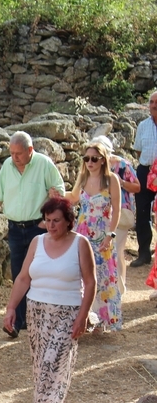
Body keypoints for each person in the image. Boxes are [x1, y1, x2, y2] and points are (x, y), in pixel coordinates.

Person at [3, 198, 95, 403]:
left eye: (57, 220)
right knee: (41, 368)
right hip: (36, 311)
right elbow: (23, 278)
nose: (51, 225)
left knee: (51, 366)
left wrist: (83, 316)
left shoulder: (80, 243)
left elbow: (90, 282)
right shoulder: (37, 242)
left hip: (67, 312)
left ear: (68, 221)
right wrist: (11, 308)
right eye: (48, 220)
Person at [0, 131, 66, 338]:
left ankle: (40, 317)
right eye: (11, 153)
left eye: (18, 153)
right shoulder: (6, 167)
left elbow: (59, 193)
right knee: (18, 272)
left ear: (30, 150)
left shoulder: (44, 164)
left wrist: (45, 222)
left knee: (38, 272)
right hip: (14, 227)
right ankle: (19, 321)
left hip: (37, 228)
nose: (14, 157)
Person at [66, 141, 122, 332]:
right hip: (82, 233)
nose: (89, 162)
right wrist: (56, 193)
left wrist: (110, 235)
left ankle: (103, 319)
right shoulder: (82, 178)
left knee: (103, 275)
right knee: (82, 275)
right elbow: (73, 198)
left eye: (94, 159)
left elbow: (116, 210)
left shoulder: (111, 180)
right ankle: (84, 318)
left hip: (102, 234)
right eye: (86, 158)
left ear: (102, 160)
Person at [91, 136, 140, 294]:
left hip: (120, 212)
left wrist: (121, 183)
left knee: (117, 250)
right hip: (98, 214)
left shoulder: (123, 165)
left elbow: (138, 187)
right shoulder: (93, 165)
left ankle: (119, 288)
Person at [131, 91, 157, 268]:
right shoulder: (142, 125)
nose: (154, 105)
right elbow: (138, 151)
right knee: (142, 212)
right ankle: (144, 253)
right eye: (151, 102)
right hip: (145, 171)